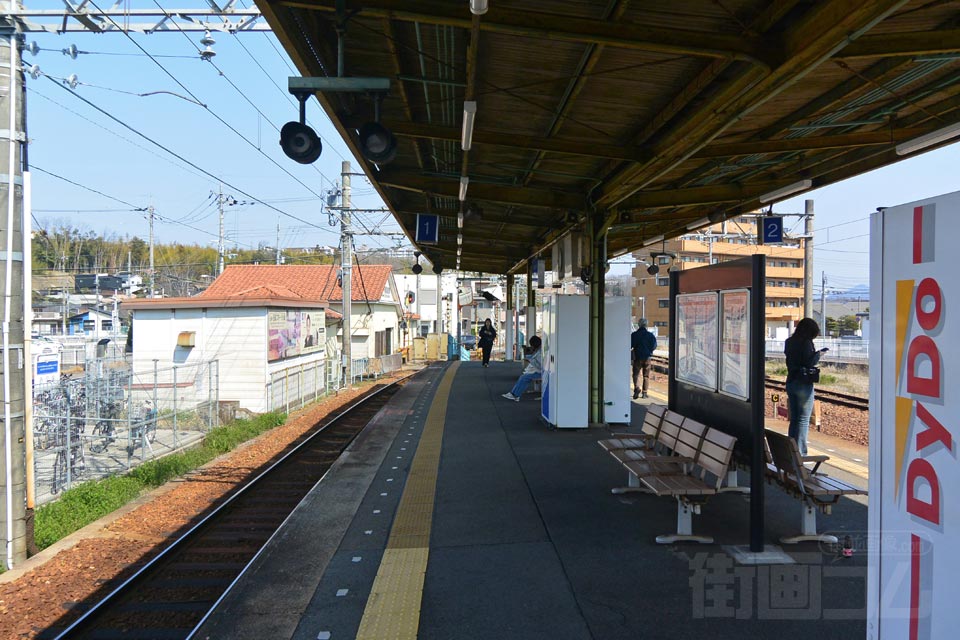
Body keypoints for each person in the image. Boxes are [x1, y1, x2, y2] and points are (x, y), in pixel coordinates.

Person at [785, 318, 827, 455]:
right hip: (803, 384)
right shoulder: (806, 343)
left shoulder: (789, 342)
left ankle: (791, 451)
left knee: (795, 419)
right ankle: (801, 454)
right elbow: (809, 362)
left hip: (791, 381)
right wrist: (818, 354)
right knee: (803, 420)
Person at [502, 336, 542, 402]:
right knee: (523, 377)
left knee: (525, 377)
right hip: (538, 371)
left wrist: (531, 360)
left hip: (541, 372)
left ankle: (515, 395)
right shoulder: (539, 350)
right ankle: (513, 394)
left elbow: (540, 365)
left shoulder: (540, 352)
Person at [631, 319, 657, 399]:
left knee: (636, 374)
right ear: (646, 325)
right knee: (646, 375)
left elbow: (630, 345)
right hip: (647, 358)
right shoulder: (650, 335)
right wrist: (650, 351)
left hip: (637, 357)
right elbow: (654, 346)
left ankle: (637, 388)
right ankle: (645, 393)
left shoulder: (634, 334)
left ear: (639, 325)